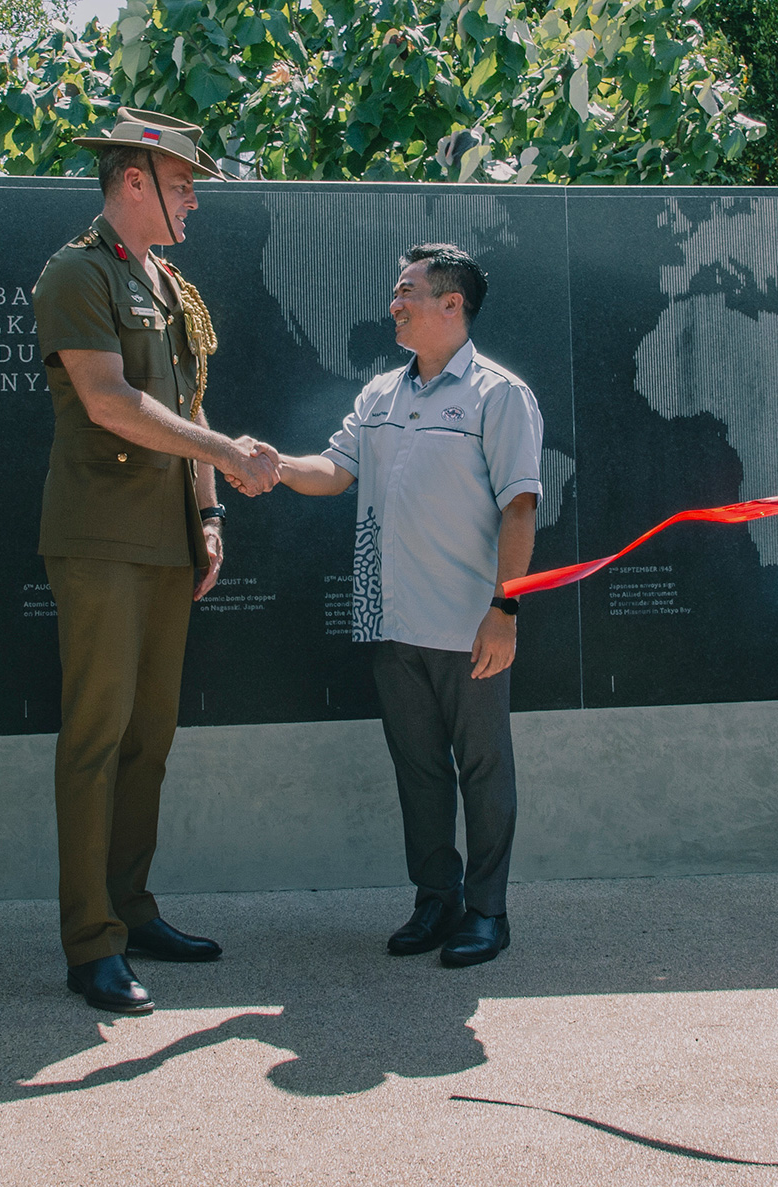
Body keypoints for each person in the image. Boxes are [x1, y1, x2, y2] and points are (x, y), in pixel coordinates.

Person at [32, 108, 279, 1014]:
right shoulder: (77, 272)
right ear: (133, 179)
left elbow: (191, 406)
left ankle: (132, 911)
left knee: (150, 739)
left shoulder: (166, 284)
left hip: (172, 539)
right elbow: (109, 400)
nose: (193, 202)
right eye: (183, 185)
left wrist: (210, 515)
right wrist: (226, 461)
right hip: (102, 539)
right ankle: (89, 941)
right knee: (96, 741)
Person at [258, 243, 542, 967]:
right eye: (398, 290)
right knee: (418, 770)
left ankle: (487, 910)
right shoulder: (379, 394)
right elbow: (336, 470)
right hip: (387, 619)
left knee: (483, 768)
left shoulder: (498, 394)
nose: (396, 303)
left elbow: (520, 507)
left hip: (469, 622)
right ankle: (435, 901)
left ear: (453, 305)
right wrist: (275, 465)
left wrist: (504, 610)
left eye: (408, 291)